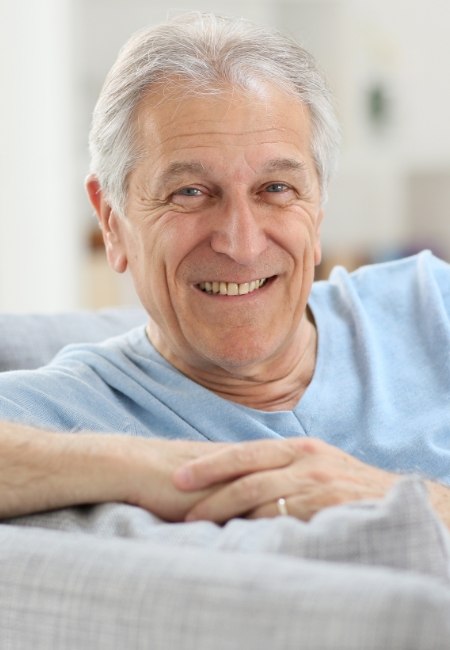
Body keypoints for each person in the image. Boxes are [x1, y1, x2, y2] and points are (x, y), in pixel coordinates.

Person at [0, 12, 449, 527]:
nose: (241, 242)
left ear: (319, 209)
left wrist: (399, 500)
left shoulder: (429, 303)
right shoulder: (73, 412)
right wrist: (170, 467)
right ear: (111, 221)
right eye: (189, 192)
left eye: (276, 189)